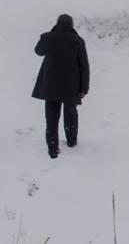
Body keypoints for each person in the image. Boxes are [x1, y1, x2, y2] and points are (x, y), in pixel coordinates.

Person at [32, 14, 90, 158]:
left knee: (51, 118)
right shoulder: (78, 41)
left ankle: (53, 149)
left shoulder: (49, 37)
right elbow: (84, 66)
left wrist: (45, 36)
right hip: (71, 86)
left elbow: (38, 51)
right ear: (71, 25)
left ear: (57, 23)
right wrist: (84, 88)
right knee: (70, 114)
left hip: (51, 84)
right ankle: (71, 141)